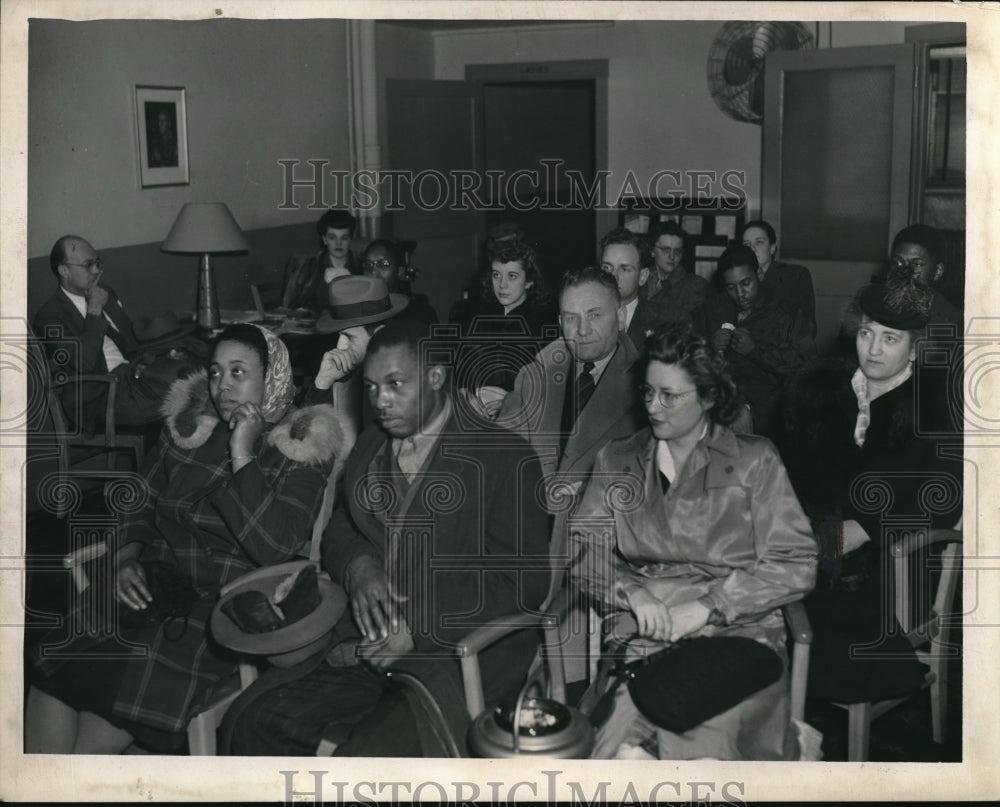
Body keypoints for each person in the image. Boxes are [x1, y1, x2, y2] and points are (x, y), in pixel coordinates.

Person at [228, 320, 550, 756]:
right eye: (372, 387)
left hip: (455, 655)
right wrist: (359, 566)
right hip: (366, 645)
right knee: (254, 721)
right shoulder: (372, 444)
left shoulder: (505, 459)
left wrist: (416, 626)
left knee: (365, 762)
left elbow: (521, 584)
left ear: (435, 378)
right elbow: (342, 526)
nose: (380, 401)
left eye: (396, 384)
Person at [25, 323, 342, 753]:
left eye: (238, 372)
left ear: (271, 379)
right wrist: (125, 558)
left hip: (218, 606)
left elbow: (275, 547)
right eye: (215, 372)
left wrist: (243, 453)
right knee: (53, 678)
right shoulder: (191, 427)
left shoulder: (299, 447)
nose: (222, 386)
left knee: (106, 705)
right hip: (150, 583)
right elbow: (139, 499)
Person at [569, 323, 817, 760]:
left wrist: (709, 606)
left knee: (710, 741)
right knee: (622, 742)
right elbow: (582, 549)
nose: (653, 406)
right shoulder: (619, 459)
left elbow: (795, 562)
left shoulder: (754, 460)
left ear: (707, 398)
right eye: (648, 392)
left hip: (741, 631)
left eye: (670, 396)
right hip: (649, 628)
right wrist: (632, 592)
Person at [779, 283, 963, 708]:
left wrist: (866, 528)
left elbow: (944, 500)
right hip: (811, 544)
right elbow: (787, 474)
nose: (873, 349)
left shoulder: (936, 409)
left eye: (890, 338)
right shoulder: (818, 392)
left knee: (805, 625)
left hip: (893, 566)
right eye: (866, 333)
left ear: (915, 349)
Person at [498, 265, 644, 484]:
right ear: (560, 322)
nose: (582, 330)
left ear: (621, 318)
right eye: (571, 318)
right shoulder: (534, 376)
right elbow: (499, 455)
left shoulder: (646, 388)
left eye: (594, 315)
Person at [33, 235, 181, 431]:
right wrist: (94, 309)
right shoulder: (49, 317)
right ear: (64, 270)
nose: (96, 271)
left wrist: (154, 359)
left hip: (133, 377)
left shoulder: (104, 294)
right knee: (185, 393)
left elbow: (131, 343)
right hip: (101, 395)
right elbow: (83, 364)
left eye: (97, 263)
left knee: (191, 374)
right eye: (88, 265)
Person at [698, 245, 815, 437]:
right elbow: (688, 362)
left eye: (746, 283)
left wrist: (755, 350)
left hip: (771, 416)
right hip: (720, 408)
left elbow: (806, 367)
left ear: (759, 274)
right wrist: (708, 347)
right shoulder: (713, 310)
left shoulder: (787, 313)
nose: (740, 293)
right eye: (731, 287)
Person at [599, 227, 689, 350]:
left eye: (624, 269)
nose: (613, 276)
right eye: (607, 268)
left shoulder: (671, 321)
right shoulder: (583, 317)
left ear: (642, 276)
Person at [741, 219, 816, 339]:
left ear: (772, 248)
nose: (752, 248)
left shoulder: (795, 276)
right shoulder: (733, 279)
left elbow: (808, 327)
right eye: (746, 244)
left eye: (759, 242)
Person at [884, 224, 963, 328]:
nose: (905, 272)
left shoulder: (952, 322)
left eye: (917, 264)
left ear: (937, 272)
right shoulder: (873, 306)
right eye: (898, 263)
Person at [281, 209, 358, 312]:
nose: (338, 243)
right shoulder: (310, 267)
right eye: (332, 238)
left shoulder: (360, 265)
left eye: (344, 238)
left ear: (351, 239)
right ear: (324, 239)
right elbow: (297, 305)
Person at [360, 239, 438, 324]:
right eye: (368, 265)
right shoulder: (359, 312)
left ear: (400, 271)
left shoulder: (420, 313)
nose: (374, 272)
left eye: (383, 264)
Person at [644, 220, 708, 314]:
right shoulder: (641, 278)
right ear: (652, 251)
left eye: (677, 251)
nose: (672, 256)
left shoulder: (695, 285)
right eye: (665, 250)